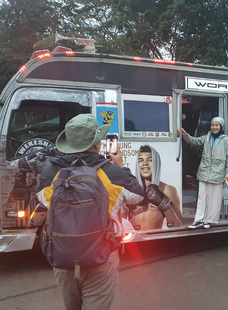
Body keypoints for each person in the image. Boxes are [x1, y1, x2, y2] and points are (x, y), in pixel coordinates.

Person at [37, 114, 145, 310]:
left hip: (63, 259)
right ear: (97, 144)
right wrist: (121, 165)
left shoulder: (49, 173)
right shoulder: (112, 173)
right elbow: (139, 195)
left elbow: (42, 200)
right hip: (101, 259)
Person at [178, 117, 228, 229]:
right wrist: (185, 135)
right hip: (204, 172)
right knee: (202, 198)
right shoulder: (206, 137)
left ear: (221, 127)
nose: (214, 127)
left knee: (214, 199)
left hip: (217, 174)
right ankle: (198, 220)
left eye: (217, 125)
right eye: (212, 125)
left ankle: (208, 220)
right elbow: (194, 141)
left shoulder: (226, 140)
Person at [123, 145, 182, 230]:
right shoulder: (131, 189)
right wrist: (125, 207)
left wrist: (165, 205)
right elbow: (118, 225)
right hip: (134, 240)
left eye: (150, 160)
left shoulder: (168, 190)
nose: (145, 163)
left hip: (155, 240)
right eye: (140, 160)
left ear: (156, 163)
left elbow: (177, 227)